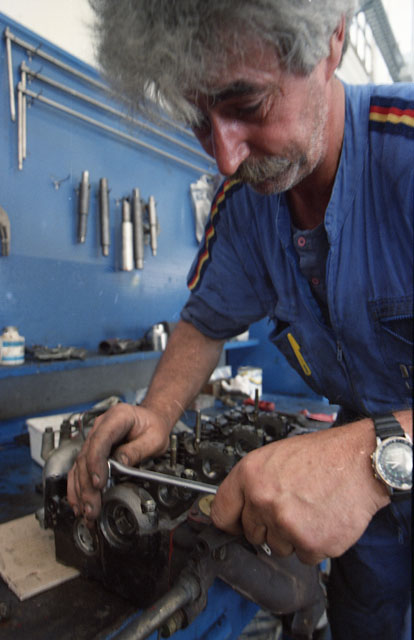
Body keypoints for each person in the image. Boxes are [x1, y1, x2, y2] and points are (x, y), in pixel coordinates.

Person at [67, 2, 413, 638]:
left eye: (248, 104)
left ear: (332, 40)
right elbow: (204, 323)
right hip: (372, 523)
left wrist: (374, 457)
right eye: (200, 121)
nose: (225, 157)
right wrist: (158, 412)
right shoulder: (246, 206)